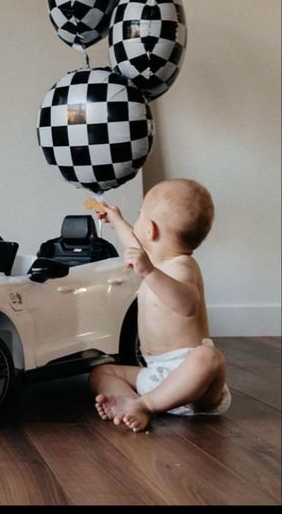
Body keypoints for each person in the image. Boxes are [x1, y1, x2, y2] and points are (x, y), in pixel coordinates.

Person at [89, 179, 231, 432]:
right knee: (101, 373)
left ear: (151, 230)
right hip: (155, 374)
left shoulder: (181, 266)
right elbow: (134, 246)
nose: (137, 222)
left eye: (140, 215)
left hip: (192, 379)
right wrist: (117, 221)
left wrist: (150, 272)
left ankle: (146, 406)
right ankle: (131, 403)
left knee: (209, 357)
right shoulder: (154, 260)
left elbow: (188, 305)